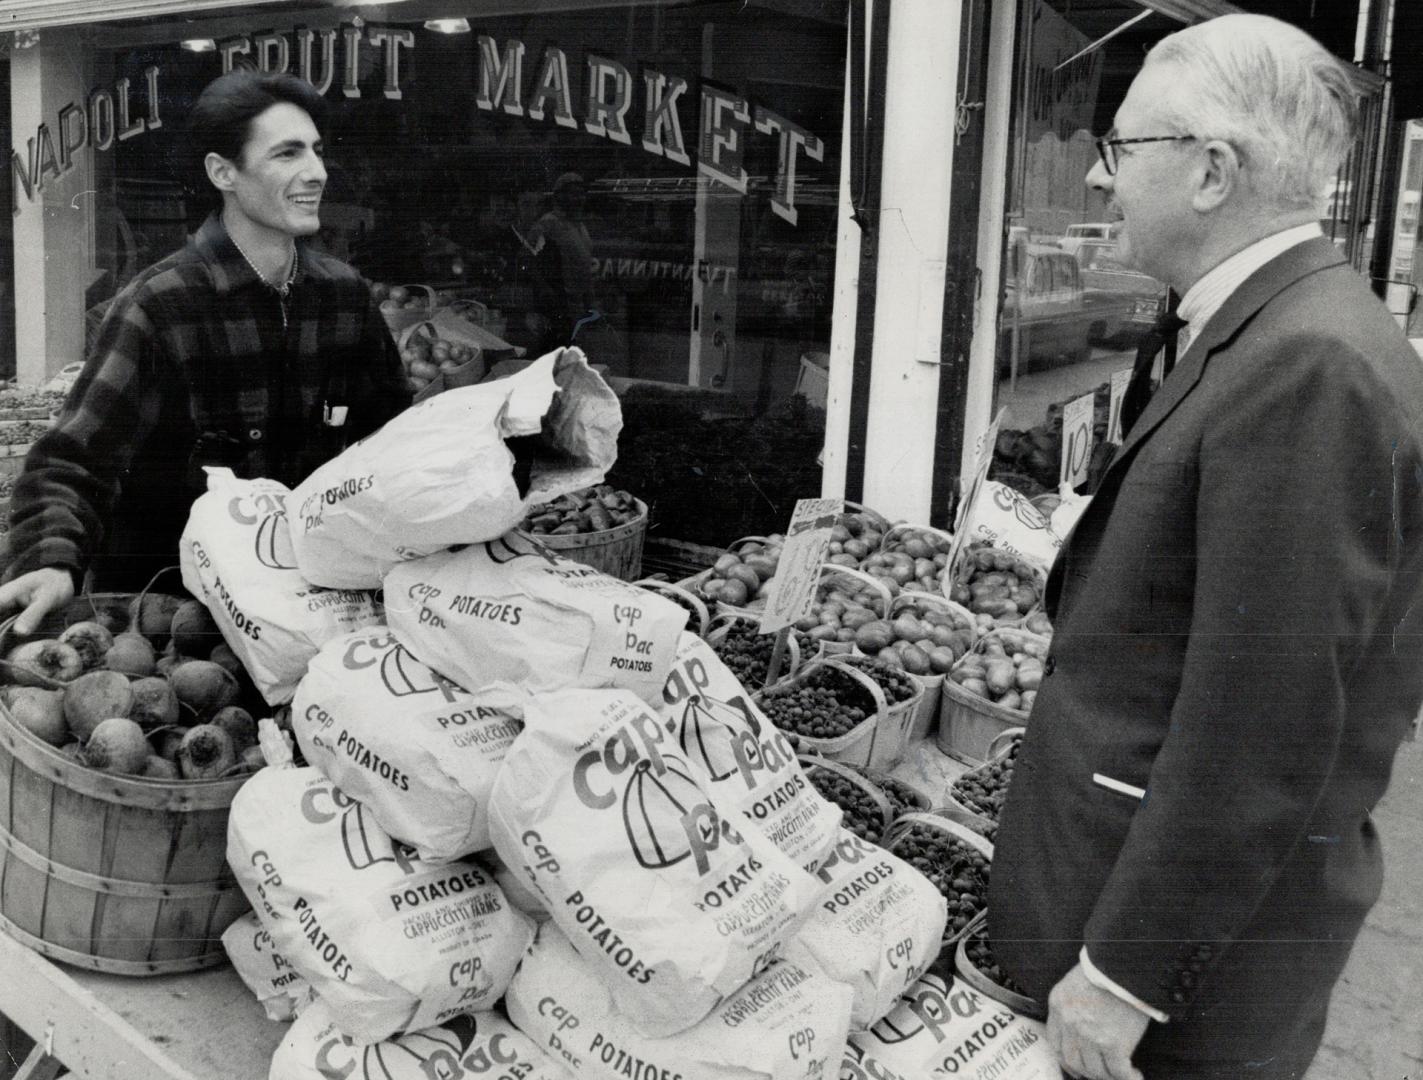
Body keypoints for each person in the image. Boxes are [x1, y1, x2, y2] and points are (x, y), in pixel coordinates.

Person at [987, 15, 1423, 1080]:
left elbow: (1265, 715)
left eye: (1122, 151)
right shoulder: (1276, 323)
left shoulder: (1307, 363)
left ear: (1212, 172)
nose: (1098, 181)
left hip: (1183, 988)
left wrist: (1125, 973)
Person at [0, 69, 410, 632]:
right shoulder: (158, 306)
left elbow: (391, 443)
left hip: (313, 611)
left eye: (316, 151)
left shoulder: (344, 296)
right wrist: (49, 560)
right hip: (170, 623)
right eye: (287, 154)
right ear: (223, 173)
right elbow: (73, 460)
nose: (316, 172)